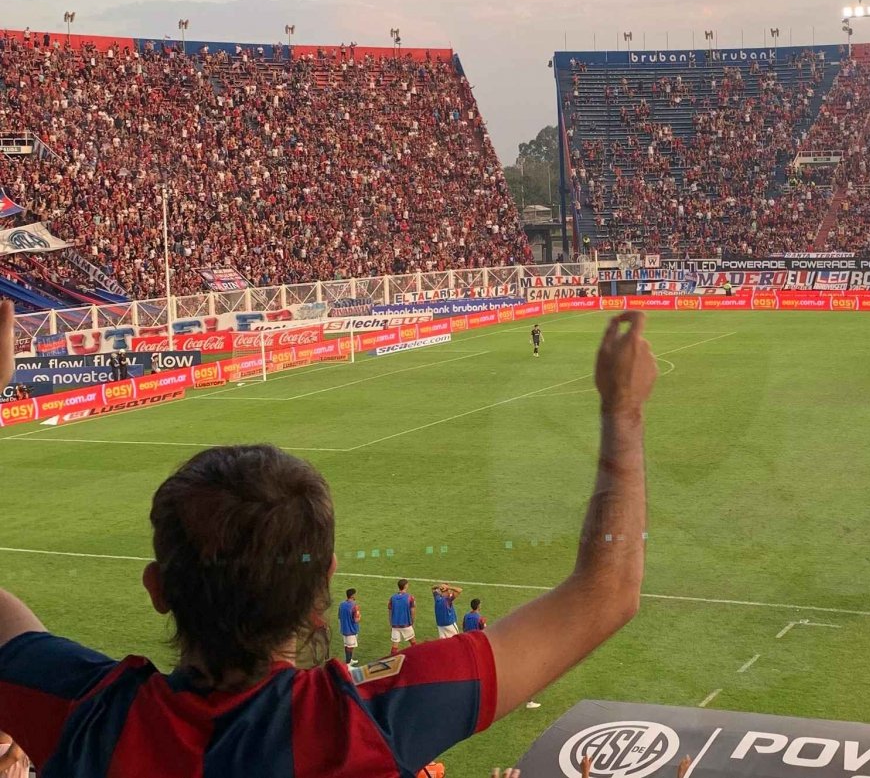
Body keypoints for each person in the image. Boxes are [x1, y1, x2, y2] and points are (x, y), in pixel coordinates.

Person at [0, 309, 657, 778]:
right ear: (320, 593)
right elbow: (608, 593)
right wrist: (622, 409)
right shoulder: (363, 725)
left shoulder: (86, 714)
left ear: (157, 588)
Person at [389, 579, 418, 656]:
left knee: (395, 645)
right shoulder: (410, 597)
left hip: (395, 624)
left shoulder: (392, 598)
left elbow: (390, 611)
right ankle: (417, 657)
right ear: (405, 586)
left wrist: (391, 623)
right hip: (406, 624)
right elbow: (412, 611)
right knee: (413, 643)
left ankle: (392, 660)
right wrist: (412, 621)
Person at [337, 588, 361, 666]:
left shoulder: (342, 604)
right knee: (350, 647)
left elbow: (339, 616)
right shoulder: (355, 606)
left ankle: (349, 660)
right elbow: (356, 620)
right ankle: (348, 664)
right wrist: (360, 616)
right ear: (352, 595)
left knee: (347, 645)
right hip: (351, 630)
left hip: (344, 629)